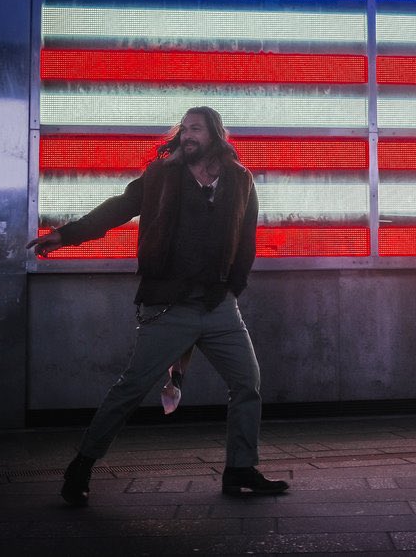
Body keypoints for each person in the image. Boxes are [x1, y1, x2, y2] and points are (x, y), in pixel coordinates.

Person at [26, 106, 288, 504]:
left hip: (219, 305)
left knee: (247, 382)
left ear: (216, 134)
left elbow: (246, 239)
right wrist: (66, 235)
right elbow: (117, 208)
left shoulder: (240, 180)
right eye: (184, 128)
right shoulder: (161, 176)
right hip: (169, 304)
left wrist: (234, 287)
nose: (187, 135)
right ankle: (81, 465)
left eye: (196, 129)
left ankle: (239, 468)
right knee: (131, 388)